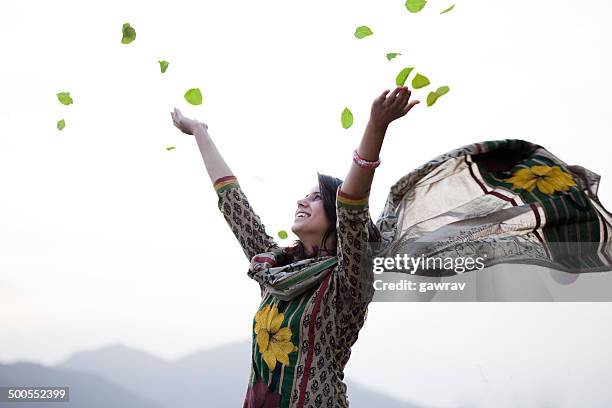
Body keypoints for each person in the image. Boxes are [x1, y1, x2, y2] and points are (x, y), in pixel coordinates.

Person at [171, 86, 419, 407]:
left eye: (316, 197)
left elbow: (352, 205)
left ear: (336, 218)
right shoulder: (275, 270)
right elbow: (234, 204)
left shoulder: (349, 278)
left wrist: (376, 126)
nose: (302, 200)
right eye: (306, 195)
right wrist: (199, 131)